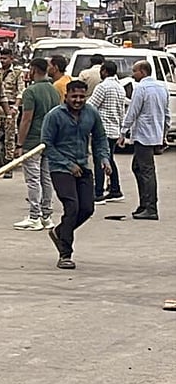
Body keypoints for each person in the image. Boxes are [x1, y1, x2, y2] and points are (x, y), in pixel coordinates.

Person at [43, 80, 111, 269]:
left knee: (87, 208)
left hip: (83, 167)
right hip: (60, 168)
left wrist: (105, 159)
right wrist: (67, 164)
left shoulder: (91, 113)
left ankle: (60, 232)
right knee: (72, 206)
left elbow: (100, 138)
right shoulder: (54, 116)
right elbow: (47, 144)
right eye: (74, 96)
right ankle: (65, 254)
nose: (78, 100)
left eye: (82, 97)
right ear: (66, 96)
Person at [119, 60, 170, 220]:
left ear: (143, 71)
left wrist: (123, 131)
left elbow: (133, 111)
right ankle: (144, 204)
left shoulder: (141, 88)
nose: (132, 74)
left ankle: (150, 207)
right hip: (155, 133)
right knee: (138, 167)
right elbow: (166, 114)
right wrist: (164, 134)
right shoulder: (162, 88)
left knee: (147, 170)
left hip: (143, 135)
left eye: (134, 71)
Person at [12, 58, 58, 231]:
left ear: (33, 70)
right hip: (49, 140)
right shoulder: (53, 90)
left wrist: (19, 143)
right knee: (46, 179)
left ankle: (34, 216)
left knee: (33, 179)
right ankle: (47, 215)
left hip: (32, 141)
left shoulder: (30, 91)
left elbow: (26, 119)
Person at [87, 60, 127, 203]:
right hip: (114, 129)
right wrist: (122, 130)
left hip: (102, 130)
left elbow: (91, 106)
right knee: (109, 159)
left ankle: (98, 193)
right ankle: (115, 189)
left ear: (104, 71)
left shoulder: (102, 87)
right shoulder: (119, 87)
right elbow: (122, 111)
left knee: (100, 160)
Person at [0, 48, 24, 170]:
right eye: (1, 58)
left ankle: (9, 163)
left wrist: (15, 108)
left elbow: (21, 91)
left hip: (11, 108)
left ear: (11, 59)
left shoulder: (17, 73)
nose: (2, 61)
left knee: (9, 137)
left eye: (5, 58)